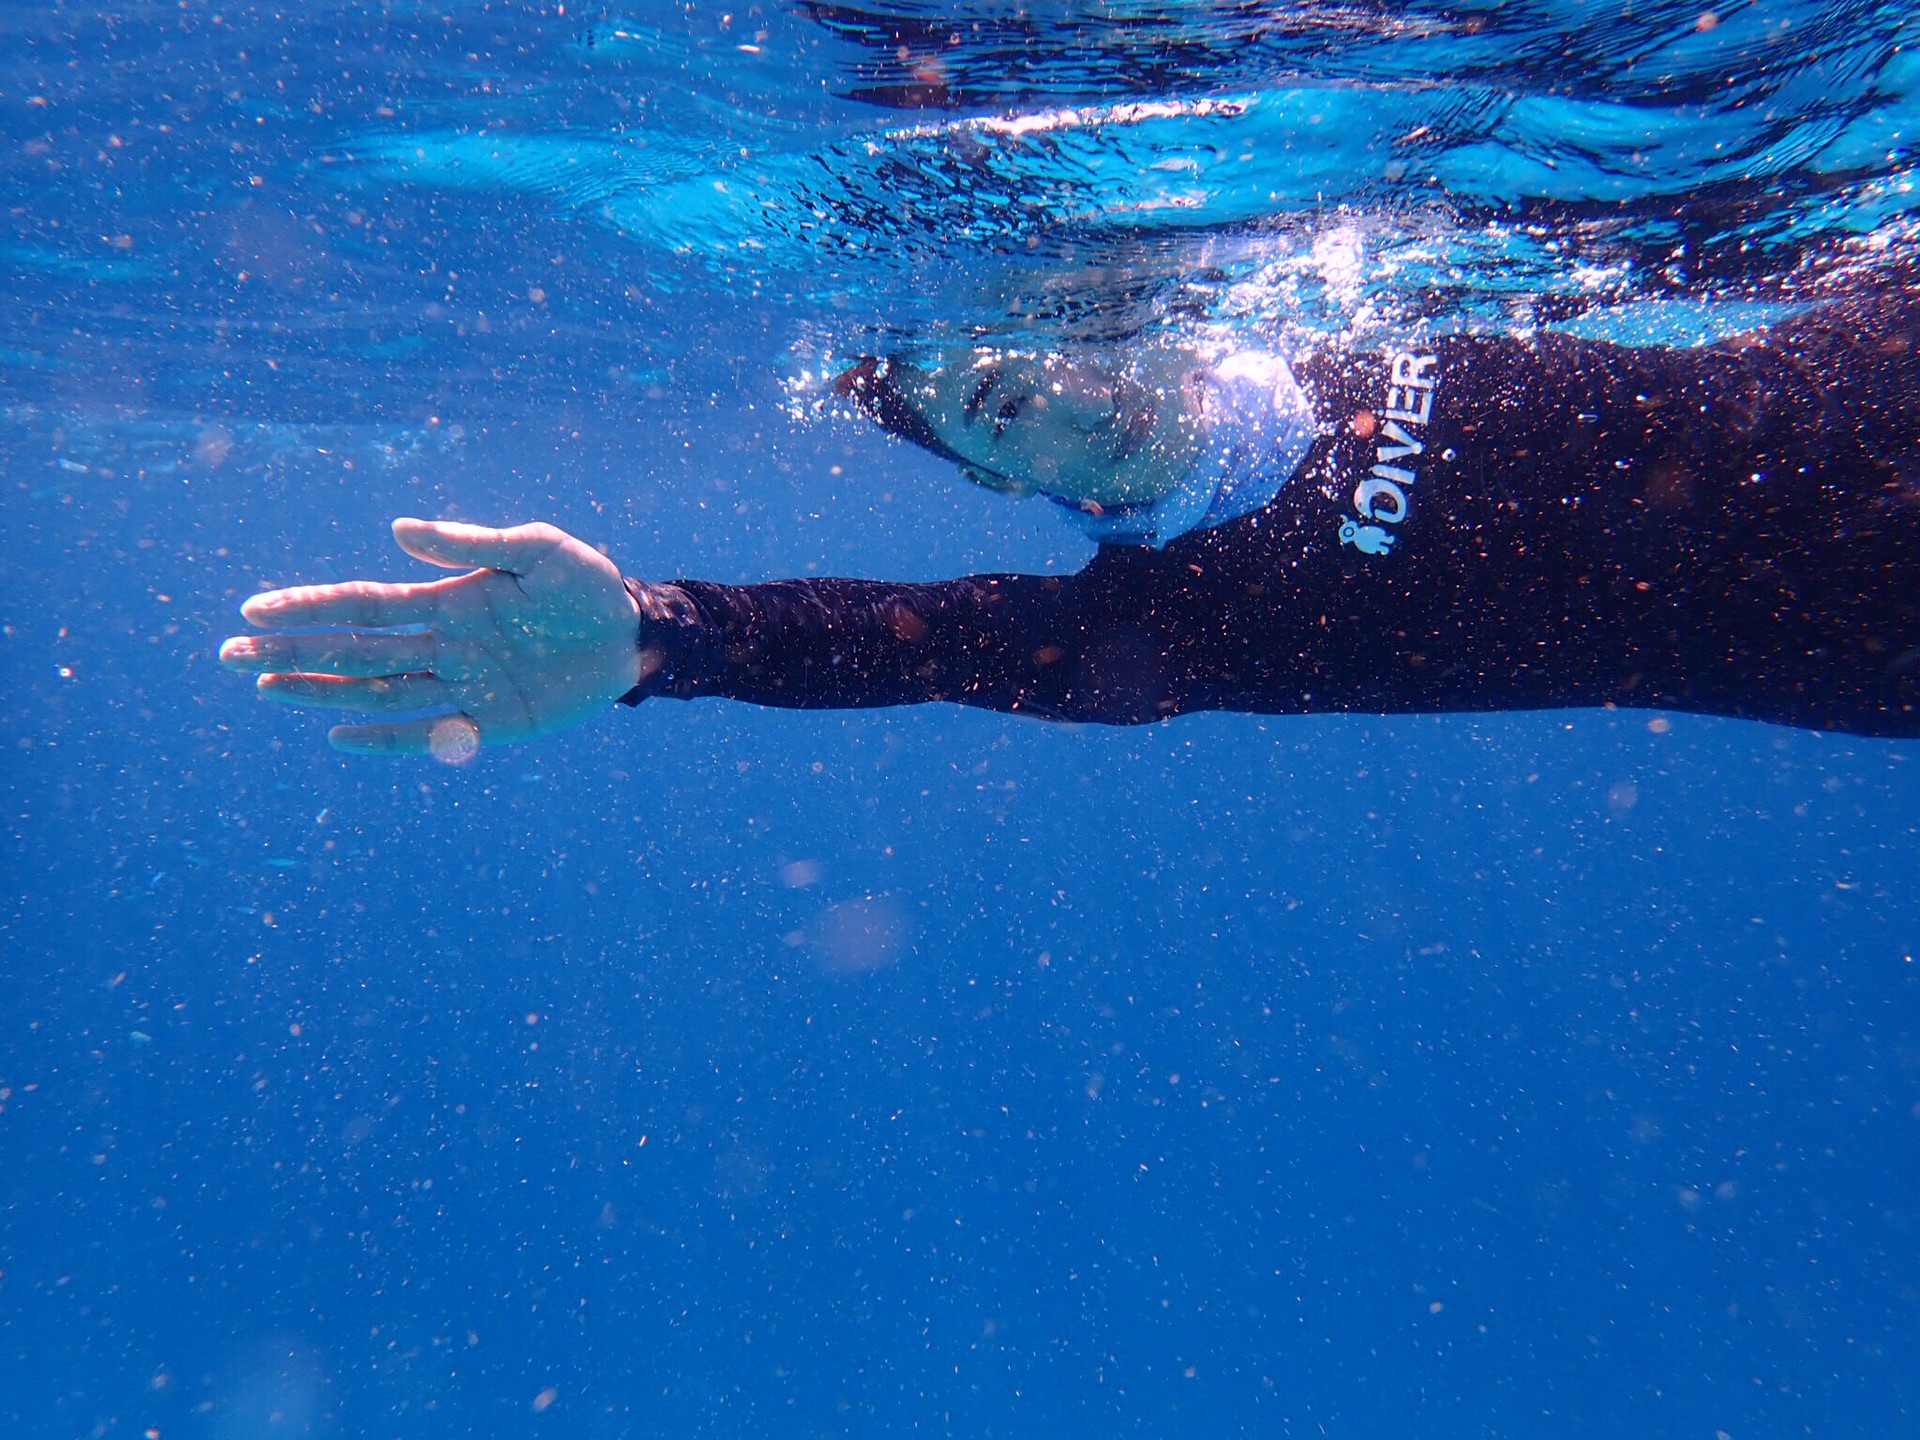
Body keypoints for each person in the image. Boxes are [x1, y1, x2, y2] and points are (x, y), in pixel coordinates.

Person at [219, 292, 1920, 751]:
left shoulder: (1399, 299)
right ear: (1004, 481)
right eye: (997, 405)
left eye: (1057, 335)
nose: (1054, 386)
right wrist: (664, 635)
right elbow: (915, 648)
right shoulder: (1194, 621)